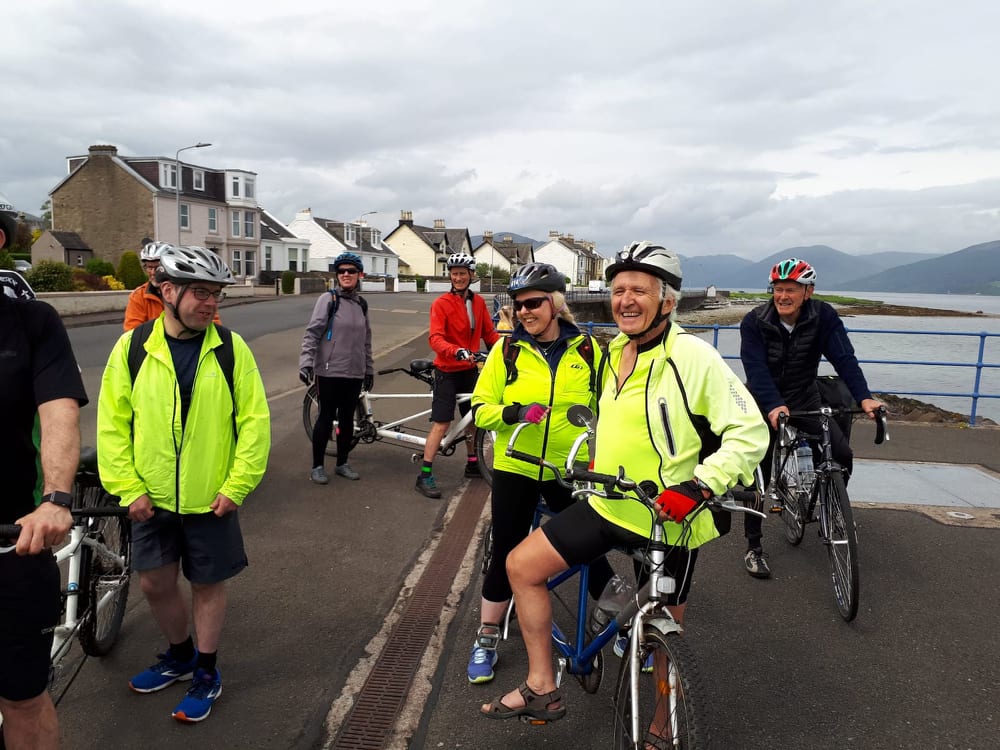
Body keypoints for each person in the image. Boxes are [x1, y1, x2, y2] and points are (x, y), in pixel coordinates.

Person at [480, 242, 767, 731]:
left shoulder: (694, 357)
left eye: (639, 290)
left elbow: (750, 432)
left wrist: (700, 486)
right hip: (608, 503)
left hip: (671, 515)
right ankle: (542, 685)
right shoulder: (612, 352)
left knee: (662, 631)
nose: (625, 300)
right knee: (519, 565)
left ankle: (660, 726)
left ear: (668, 302)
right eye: (618, 290)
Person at [97, 245, 270, 723]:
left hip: (210, 497)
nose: (212, 303)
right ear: (167, 292)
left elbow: (254, 423)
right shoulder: (132, 348)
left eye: (216, 294)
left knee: (208, 583)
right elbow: (112, 425)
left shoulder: (232, 349)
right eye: (201, 293)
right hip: (149, 498)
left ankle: (207, 672)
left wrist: (237, 486)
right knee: (154, 582)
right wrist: (126, 487)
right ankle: (179, 655)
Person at [468, 262, 616, 684]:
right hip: (517, 466)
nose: (525, 313)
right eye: (518, 307)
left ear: (555, 303)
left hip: (568, 470)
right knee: (508, 552)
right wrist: (514, 413)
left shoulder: (589, 351)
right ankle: (487, 635)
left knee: (589, 548)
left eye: (533, 303)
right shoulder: (507, 351)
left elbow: (611, 408)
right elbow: (480, 409)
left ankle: (616, 623)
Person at [0, 210, 87, 750]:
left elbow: (58, 413)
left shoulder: (32, 323)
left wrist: (55, 498)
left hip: (13, 539)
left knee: (23, 700)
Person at [739, 258, 885, 578]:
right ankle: (753, 546)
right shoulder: (754, 321)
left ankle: (830, 509)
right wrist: (774, 404)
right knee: (758, 475)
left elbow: (844, 359)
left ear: (808, 292)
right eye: (778, 289)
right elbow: (756, 370)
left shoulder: (824, 316)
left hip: (805, 397)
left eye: (791, 289)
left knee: (841, 453)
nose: (783, 295)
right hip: (765, 402)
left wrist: (864, 397)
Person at [415, 252, 500, 498]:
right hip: (447, 371)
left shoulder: (479, 302)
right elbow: (436, 338)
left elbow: (489, 334)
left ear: (471, 275)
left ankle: (473, 462)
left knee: (474, 419)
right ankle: (425, 474)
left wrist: (507, 351)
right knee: (442, 423)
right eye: (454, 274)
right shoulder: (441, 303)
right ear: (450, 276)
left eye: (463, 273)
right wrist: (456, 351)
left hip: (469, 370)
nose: (458, 277)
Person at [299, 251, 373, 483]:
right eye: (342, 271)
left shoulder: (361, 304)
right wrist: (306, 363)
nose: (346, 274)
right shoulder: (328, 300)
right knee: (325, 418)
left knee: (347, 421)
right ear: (337, 275)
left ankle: (342, 463)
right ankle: (317, 466)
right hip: (329, 371)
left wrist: (368, 369)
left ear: (359, 275)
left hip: (354, 372)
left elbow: (366, 339)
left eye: (351, 271)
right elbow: (312, 333)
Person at [125, 240, 220, 331]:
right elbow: (133, 332)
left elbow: (213, 324)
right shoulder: (138, 296)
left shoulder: (185, 291)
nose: (153, 272)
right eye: (149, 267)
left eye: (157, 267)